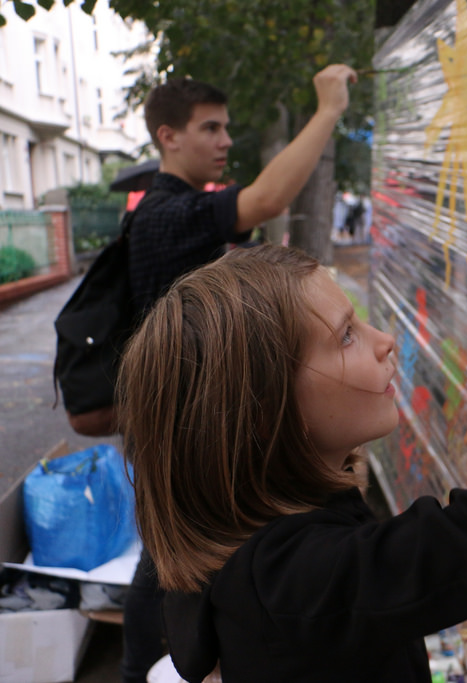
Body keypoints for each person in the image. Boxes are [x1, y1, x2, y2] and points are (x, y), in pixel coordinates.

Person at [117, 115, 467, 681]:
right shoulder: (297, 586)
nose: (385, 341)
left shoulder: (261, 558)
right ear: (266, 411)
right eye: (346, 335)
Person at [120, 64, 358, 683]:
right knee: (169, 567)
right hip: (183, 423)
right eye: (211, 128)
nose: (225, 140)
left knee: (175, 559)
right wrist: (328, 110)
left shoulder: (176, 209)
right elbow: (267, 199)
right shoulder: (165, 213)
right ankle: (149, 667)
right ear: (168, 136)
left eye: (226, 127)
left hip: (189, 419)